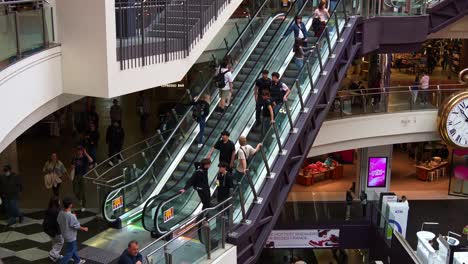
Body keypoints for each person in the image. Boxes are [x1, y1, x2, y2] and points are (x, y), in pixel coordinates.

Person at [57, 197, 88, 264]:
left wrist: (72, 216)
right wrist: (84, 228)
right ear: (70, 205)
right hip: (71, 236)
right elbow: (76, 226)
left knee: (73, 249)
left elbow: (59, 221)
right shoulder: (71, 216)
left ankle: (78, 260)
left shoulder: (61, 213)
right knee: (70, 252)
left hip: (64, 234)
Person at [71, 146, 93, 212]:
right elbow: (71, 166)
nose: (79, 151)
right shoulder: (74, 158)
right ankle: (79, 198)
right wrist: (72, 167)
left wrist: (86, 153)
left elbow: (91, 160)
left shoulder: (85, 158)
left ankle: (83, 205)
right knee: (75, 190)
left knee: (82, 191)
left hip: (83, 176)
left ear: (82, 151)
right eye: (78, 150)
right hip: (76, 176)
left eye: (81, 150)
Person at [43, 197, 63, 262]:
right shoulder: (56, 211)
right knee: (60, 241)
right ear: (56, 202)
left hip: (47, 229)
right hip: (54, 229)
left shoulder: (49, 209)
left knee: (55, 241)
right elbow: (58, 222)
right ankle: (52, 254)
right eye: (59, 201)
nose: (60, 202)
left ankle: (55, 255)